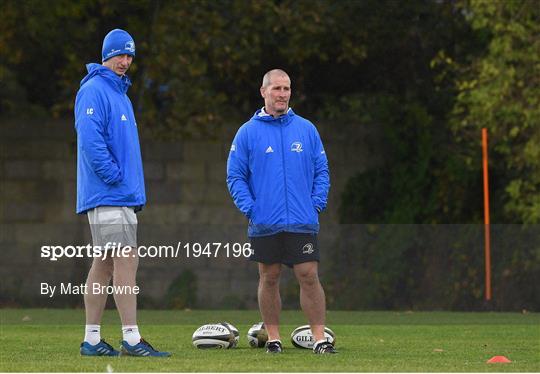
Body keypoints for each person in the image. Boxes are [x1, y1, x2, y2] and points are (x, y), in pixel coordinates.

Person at [226, 69, 336, 354]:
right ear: (263, 92)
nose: (283, 94)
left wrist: (315, 204)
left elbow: (322, 171)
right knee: (269, 276)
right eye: (277, 88)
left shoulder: (307, 129)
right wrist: (251, 209)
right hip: (265, 222)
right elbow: (235, 176)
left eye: (287, 89)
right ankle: (273, 339)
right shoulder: (247, 132)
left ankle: (320, 340)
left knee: (308, 274)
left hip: (302, 220)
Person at [74, 29, 170, 357]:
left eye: (129, 56)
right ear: (106, 55)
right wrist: (114, 178)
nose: (125, 61)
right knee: (125, 262)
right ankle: (131, 339)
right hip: (109, 194)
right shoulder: (95, 90)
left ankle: (91, 339)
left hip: (118, 195)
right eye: (120, 55)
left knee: (103, 264)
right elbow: (90, 140)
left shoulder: (121, 94)